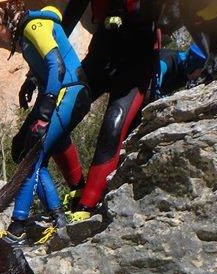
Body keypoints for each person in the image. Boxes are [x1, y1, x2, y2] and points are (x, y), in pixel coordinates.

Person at [0, 1, 90, 245]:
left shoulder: (32, 25)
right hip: (63, 93)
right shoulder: (24, 33)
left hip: (68, 92)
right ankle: (58, 220)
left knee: (31, 158)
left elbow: (55, 63)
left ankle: (17, 229)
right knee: (25, 152)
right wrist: (30, 82)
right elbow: (44, 64)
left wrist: (45, 110)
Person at [60, 0, 161, 223]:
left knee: (112, 127)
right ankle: (78, 189)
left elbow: (168, 16)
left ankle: (87, 205)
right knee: (58, 116)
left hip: (137, 63)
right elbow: (70, 16)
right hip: (101, 58)